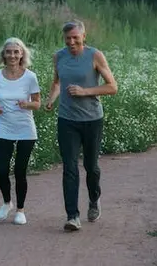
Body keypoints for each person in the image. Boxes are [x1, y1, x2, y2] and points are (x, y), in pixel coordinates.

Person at [44, 20, 118, 232]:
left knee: (91, 167)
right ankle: (72, 216)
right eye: (68, 38)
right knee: (69, 167)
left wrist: (85, 91)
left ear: (83, 37)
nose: (72, 42)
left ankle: (94, 199)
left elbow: (112, 87)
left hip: (92, 119)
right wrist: (51, 99)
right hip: (67, 120)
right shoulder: (59, 56)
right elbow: (57, 82)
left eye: (76, 37)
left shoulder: (95, 55)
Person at [0, 37, 41, 226]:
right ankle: (6, 203)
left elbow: (37, 103)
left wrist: (26, 104)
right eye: (8, 52)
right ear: (3, 55)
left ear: (22, 55)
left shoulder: (30, 77)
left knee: (20, 170)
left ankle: (20, 210)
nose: (12, 55)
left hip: (26, 128)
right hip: (4, 127)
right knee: (2, 170)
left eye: (16, 52)